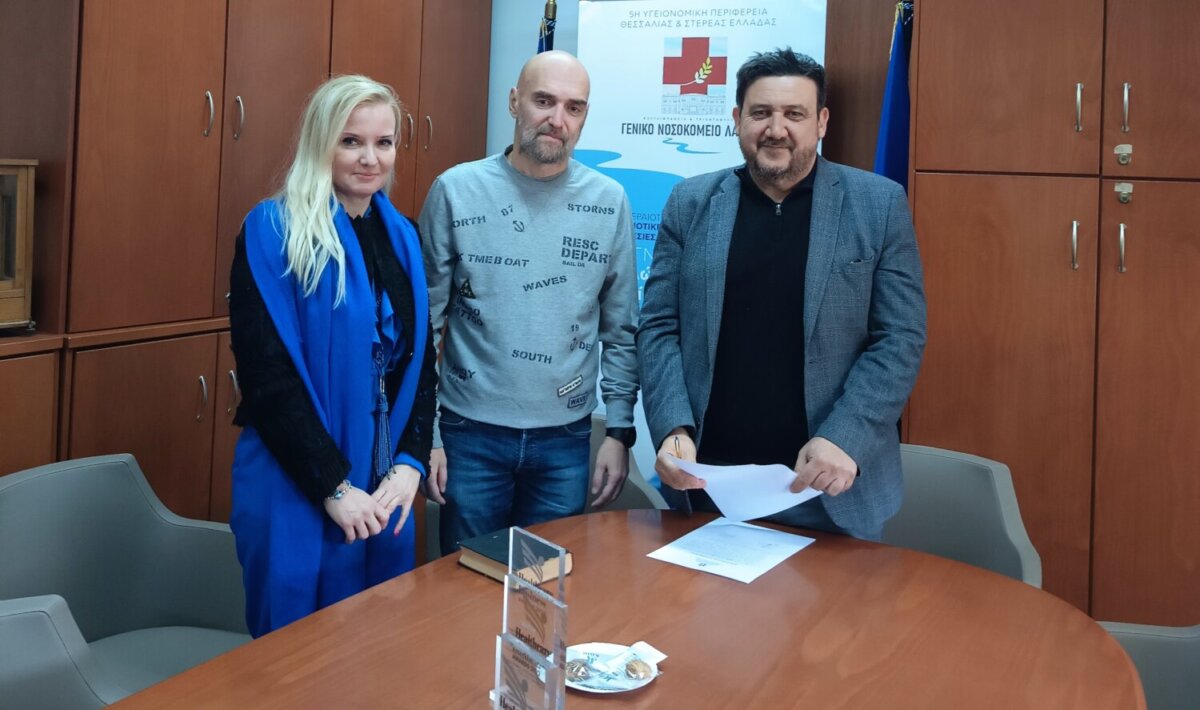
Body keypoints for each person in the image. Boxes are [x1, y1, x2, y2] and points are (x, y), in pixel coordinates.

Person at [637, 48, 926, 541]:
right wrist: (672, 427)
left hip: (829, 486)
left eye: (794, 114)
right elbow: (660, 325)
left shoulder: (877, 205)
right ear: (737, 119)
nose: (777, 129)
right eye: (761, 113)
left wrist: (845, 437)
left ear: (822, 122)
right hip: (708, 484)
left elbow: (900, 337)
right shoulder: (690, 202)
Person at [228, 75, 437, 636]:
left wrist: (410, 466)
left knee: (376, 648)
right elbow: (268, 379)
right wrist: (335, 487)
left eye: (384, 143)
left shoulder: (405, 237)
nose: (370, 159)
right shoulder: (271, 231)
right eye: (351, 141)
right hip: (295, 482)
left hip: (383, 485)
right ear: (321, 142)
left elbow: (420, 365)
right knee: (292, 658)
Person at [419, 50, 639, 553]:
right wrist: (426, 435)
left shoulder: (608, 201)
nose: (557, 119)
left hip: (565, 440)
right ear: (514, 102)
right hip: (468, 434)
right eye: (544, 101)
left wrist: (618, 433)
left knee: (542, 588)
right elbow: (422, 324)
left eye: (573, 107)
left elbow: (622, 329)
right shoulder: (456, 191)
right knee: (465, 582)